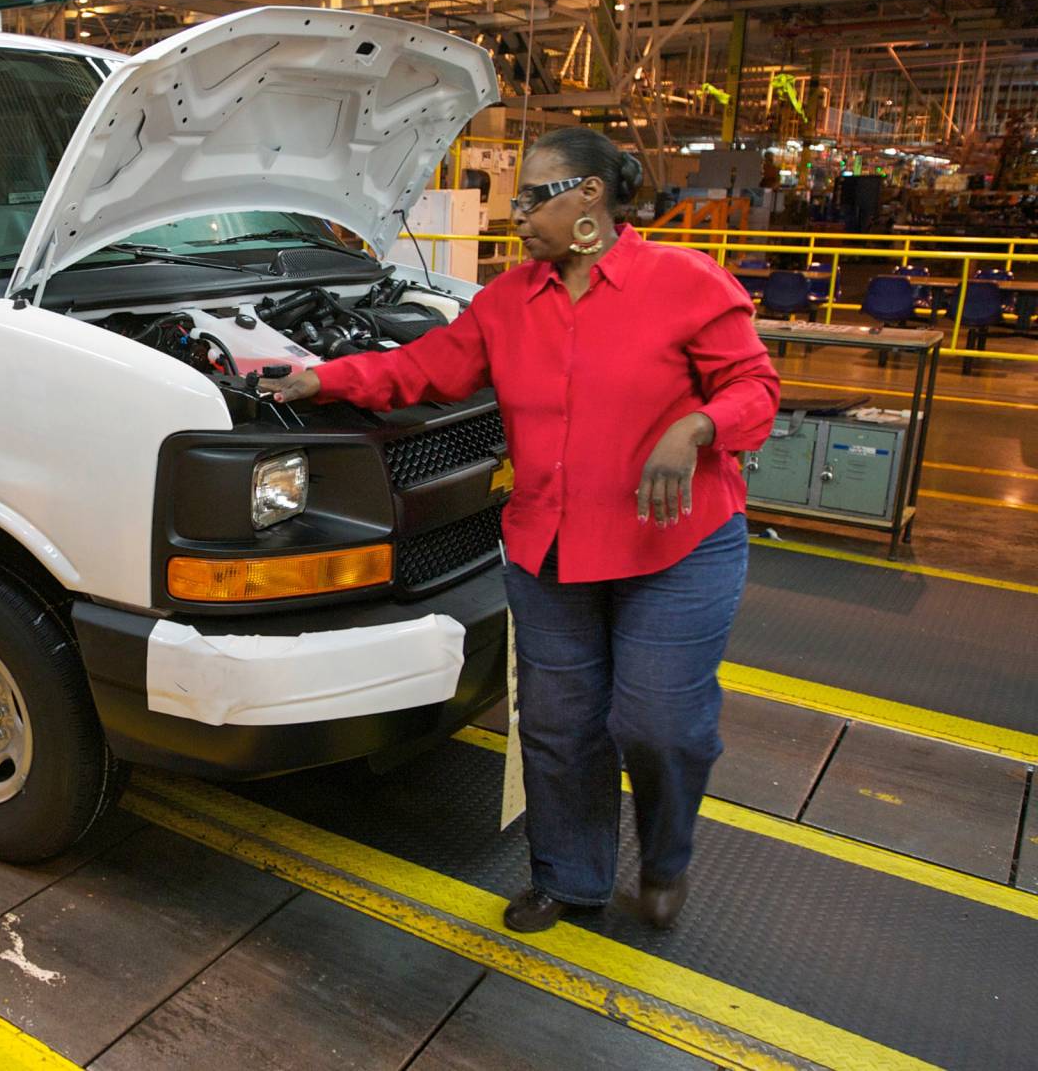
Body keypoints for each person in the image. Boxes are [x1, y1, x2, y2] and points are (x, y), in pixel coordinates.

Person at [262, 127, 780, 933]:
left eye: (533, 196)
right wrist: (318, 378)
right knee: (558, 725)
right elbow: (420, 369)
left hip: (674, 544)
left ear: (590, 198)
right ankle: (569, 878)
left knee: (659, 724)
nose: (516, 215)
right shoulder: (508, 300)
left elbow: (754, 387)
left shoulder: (684, 282)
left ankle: (667, 855)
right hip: (553, 547)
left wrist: (698, 429)